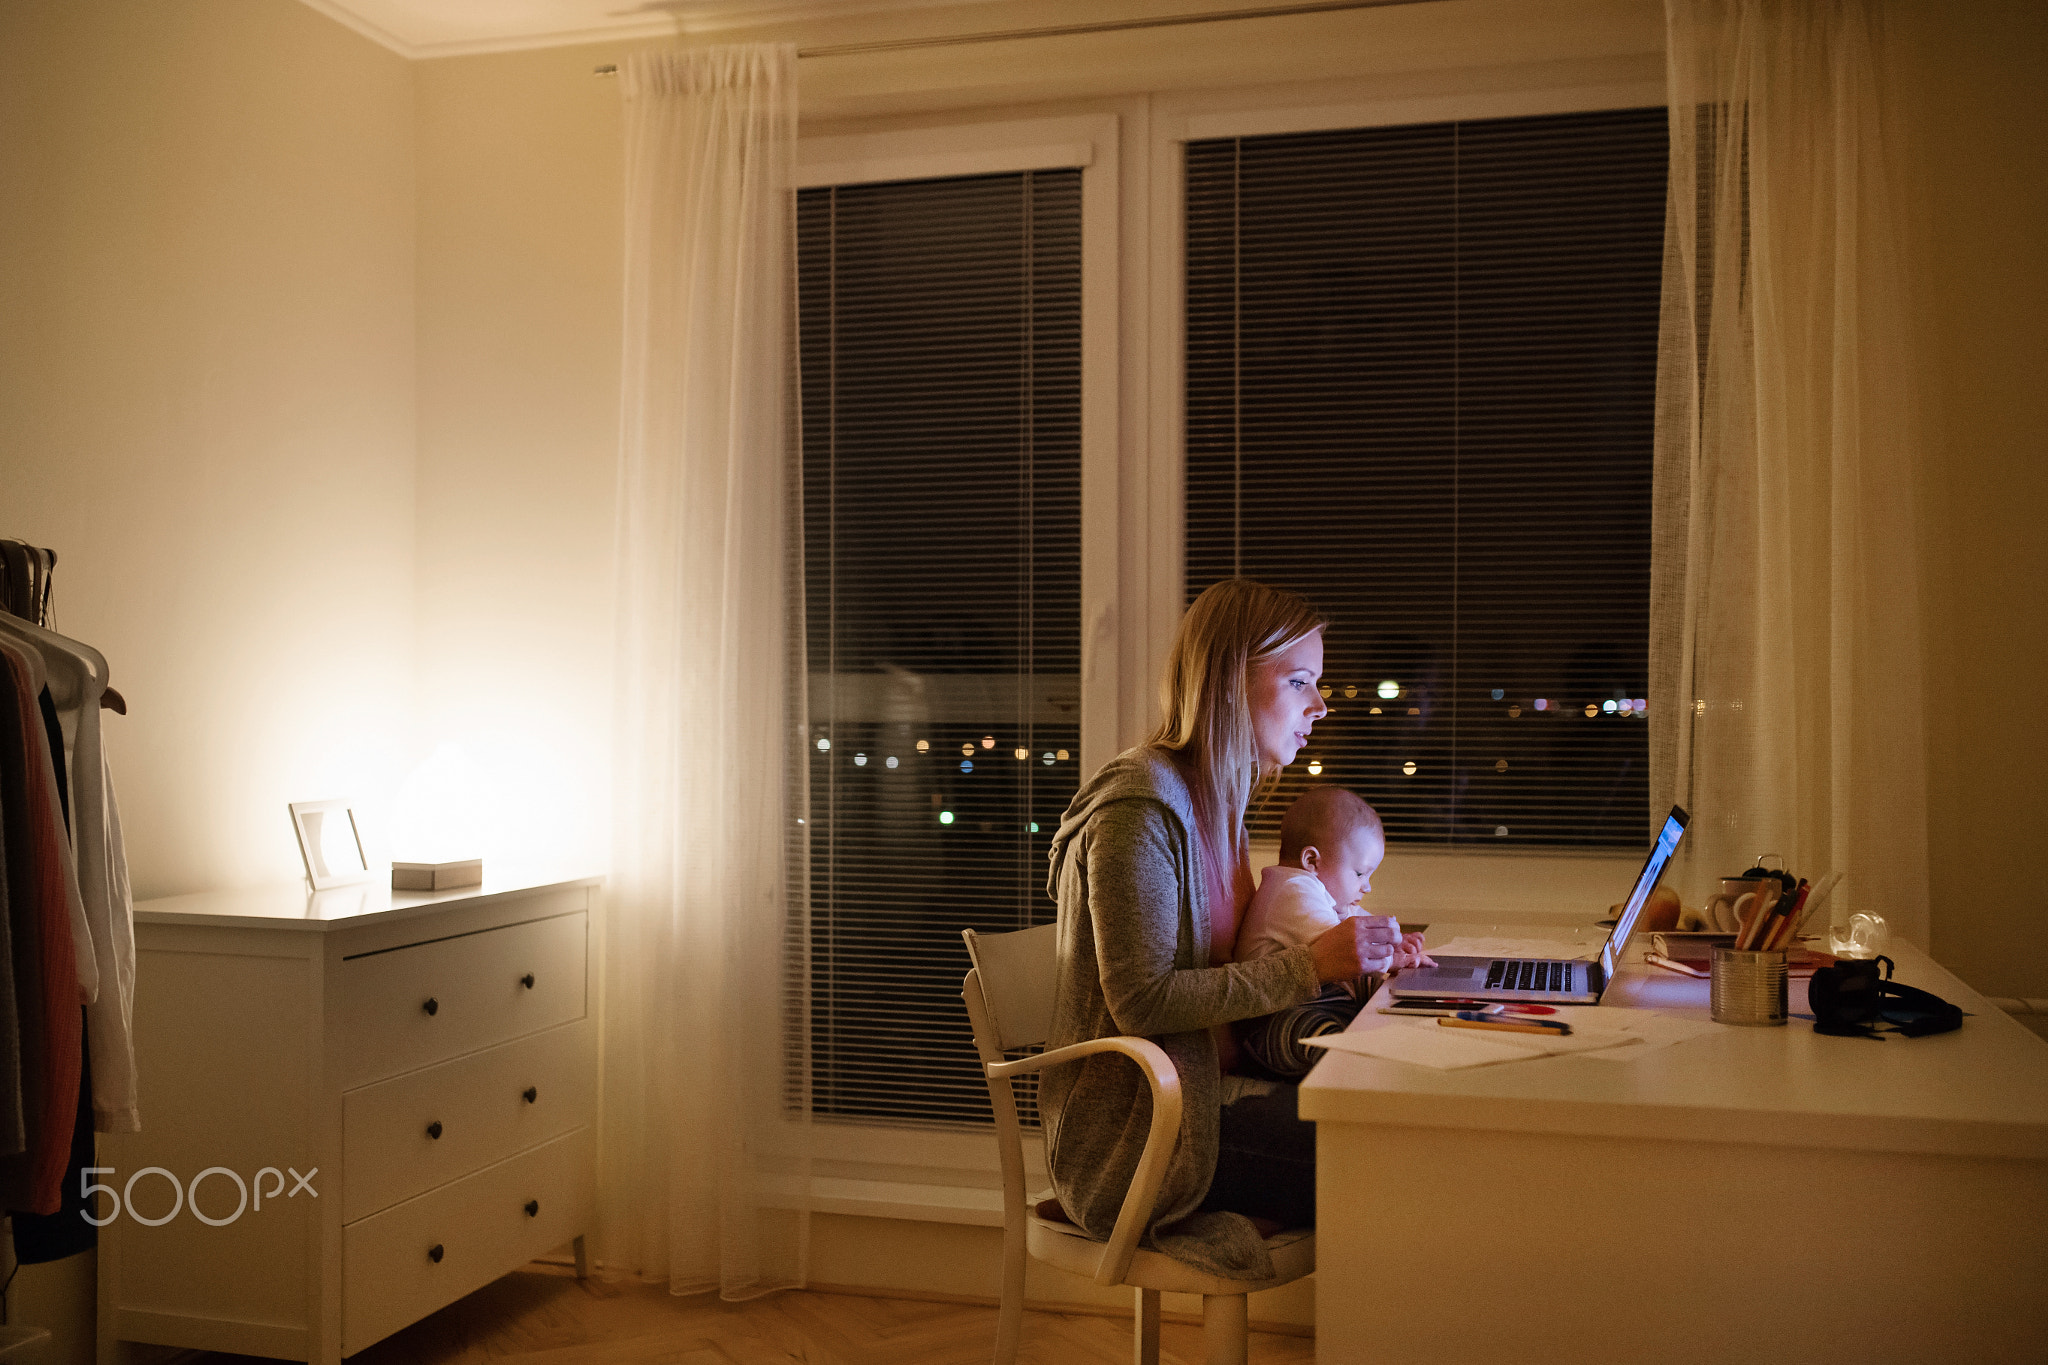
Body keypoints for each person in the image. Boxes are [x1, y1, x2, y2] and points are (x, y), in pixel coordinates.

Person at [1040, 578, 1397, 1280]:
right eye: (1300, 681)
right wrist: (1311, 965)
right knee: (1393, 1144)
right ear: (1230, 680)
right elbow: (1141, 1001)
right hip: (1147, 1130)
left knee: (1396, 1109)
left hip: (1212, 1093)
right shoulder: (1139, 807)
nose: (1320, 706)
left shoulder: (1218, 804)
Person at [1233, 787, 1433, 1078]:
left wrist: (1397, 942)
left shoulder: (1325, 895)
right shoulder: (1291, 891)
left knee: (1378, 989)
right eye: (1360, 873)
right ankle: (1345, 1068)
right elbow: (1346, 946)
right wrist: (1390, 958)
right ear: (1312, 862)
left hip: (1321, 1002)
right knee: (1323, 1034)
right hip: (1270, 1022)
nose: (1367, 886)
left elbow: (1358, 926)